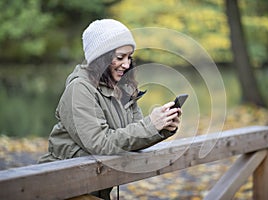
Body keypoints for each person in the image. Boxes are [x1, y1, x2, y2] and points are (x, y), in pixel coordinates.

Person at [38, 19, 181, 199]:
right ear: (100, 58)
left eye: (129, 57)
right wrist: (151, 125)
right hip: (62, 187)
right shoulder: (79, 89)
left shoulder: (124, 89)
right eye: (120, 57)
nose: (127, 64)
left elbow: (134, 137)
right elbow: (100, 144)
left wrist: (162, 126)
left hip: (96, 186)